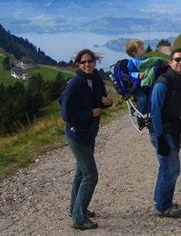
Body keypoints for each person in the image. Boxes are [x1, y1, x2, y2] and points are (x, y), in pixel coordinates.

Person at [59, 49, 113, 230]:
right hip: (77, 134)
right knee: (91, 175)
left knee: (81, 173)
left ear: (95, 62)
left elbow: (101, 101)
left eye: (90, 61)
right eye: (83, 62)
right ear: (78, 65)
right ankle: (79, 218)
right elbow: (66, 115)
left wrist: (107, 103)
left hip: (89, 132)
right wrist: (89, 113)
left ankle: (75, 209)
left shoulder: (96, 79)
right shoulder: (74, 84)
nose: (87, 65)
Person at [149, 48, 181, 218]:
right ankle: (163, 206)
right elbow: (155, 112)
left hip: (175, 129)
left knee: (166, 166)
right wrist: (160, 138)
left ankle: (161, 199)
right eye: (177, 59)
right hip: (162, 130)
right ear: (170, 62)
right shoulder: (163, 82)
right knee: (172, 167)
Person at [126, 39, 167, 129]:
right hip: (138, 86)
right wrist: (138, 75)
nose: (144, 49)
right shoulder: (132, 62)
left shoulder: (145, 59)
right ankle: (140, 116)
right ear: (134, 53)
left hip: (147, 81)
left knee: (152, 98)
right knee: (142, 99)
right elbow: (130, 73)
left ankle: (153, 114)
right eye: (141, 48)